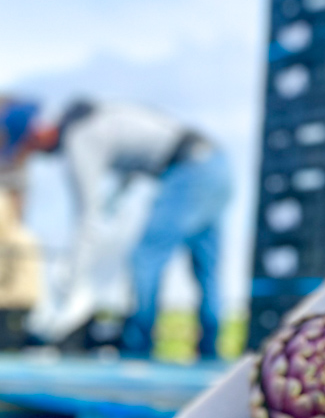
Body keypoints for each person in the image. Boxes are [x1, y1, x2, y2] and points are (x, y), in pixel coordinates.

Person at [29, 101, 232, 359]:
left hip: (188, 170)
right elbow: (131, 169)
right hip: (217, 164)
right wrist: (113, 205)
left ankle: (139, 349)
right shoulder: (102, 117)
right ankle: (211, 353)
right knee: (206, 268)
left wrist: (75, 281)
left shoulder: (79, 136)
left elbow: (87, 217)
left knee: (145, 257)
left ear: (42, 131)